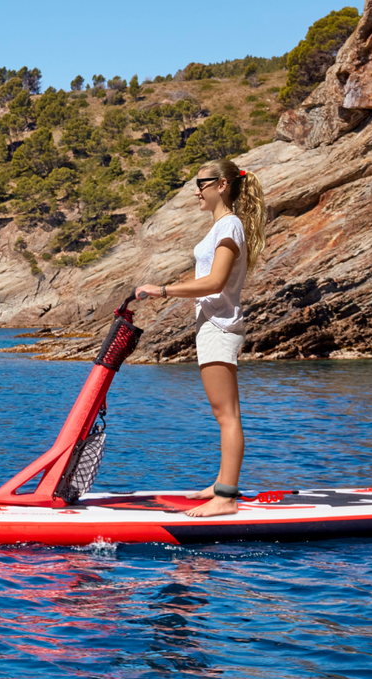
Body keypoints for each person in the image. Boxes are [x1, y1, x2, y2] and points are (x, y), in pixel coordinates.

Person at [134, 158, 266, 518]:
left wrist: (161, 290)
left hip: (220, 327)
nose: (197, 191)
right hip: (211, 324)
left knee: (228, 415)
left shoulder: (230, 227)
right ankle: (221, 483)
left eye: (201, 184)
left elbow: (215, 282)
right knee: (222, 412)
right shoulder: (222, 227)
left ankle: (225, 496)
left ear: (221, 185)